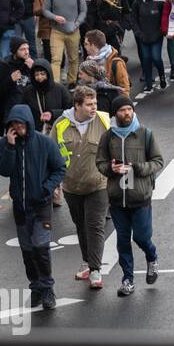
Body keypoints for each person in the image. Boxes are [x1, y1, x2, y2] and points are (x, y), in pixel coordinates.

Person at [0, 104, 65, 312]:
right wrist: (9, 146)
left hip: (41, 205)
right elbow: (4, 170)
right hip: (20, 207)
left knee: (41, 247)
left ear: (28, 122)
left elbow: (60, 167)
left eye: (21, 123)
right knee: (27, 251)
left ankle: (47, 289)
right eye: (14, 124)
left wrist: (48, 187)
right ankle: (35, 285)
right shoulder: (6, 143)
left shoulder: (44, 143)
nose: (18, 127)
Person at [96, 95, 163, 297]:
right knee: (122, 241)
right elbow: (100, 162)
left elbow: (158, 161)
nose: (126, 113)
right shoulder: (108, 137)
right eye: (122, 110)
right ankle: (128, 280)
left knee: (142, 237)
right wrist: (111, 168)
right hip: (117, 199)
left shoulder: (145, 134)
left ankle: (152, 257)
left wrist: (139, 168)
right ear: (115, 114)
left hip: (140, 197)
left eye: (129, 109)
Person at [54, 87, 112, 289]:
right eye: (88, 104)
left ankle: (96, 270)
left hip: (98, 184)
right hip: (71, 187)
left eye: (94, 103)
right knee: (81, 225)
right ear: (77, 106)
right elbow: (52, 154)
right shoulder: (61, 125)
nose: (93, 107)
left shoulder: (104, 120)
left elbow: (118, 142)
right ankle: (87, 261)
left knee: (95, 225)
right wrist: (54, 183)